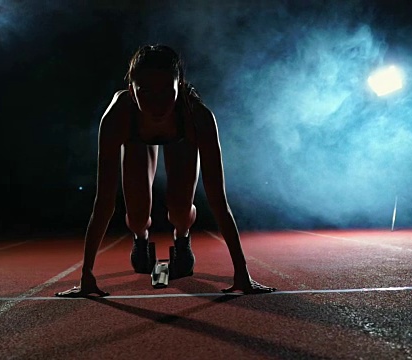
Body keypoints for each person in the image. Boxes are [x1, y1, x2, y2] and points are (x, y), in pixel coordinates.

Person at [55, 45, 275, 297]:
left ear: (179, 86)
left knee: (180, 210)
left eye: (165, 93)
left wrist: (242, 272)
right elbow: (104, 201)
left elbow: (218, 200)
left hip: (181, 139)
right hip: (136, 140)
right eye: (145, 93)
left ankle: (182, 236)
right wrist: (87, 276)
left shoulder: (197, 117)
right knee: (137, 214)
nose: (156, 104)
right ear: (131, 90)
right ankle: (140, 237)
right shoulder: (117, 116)